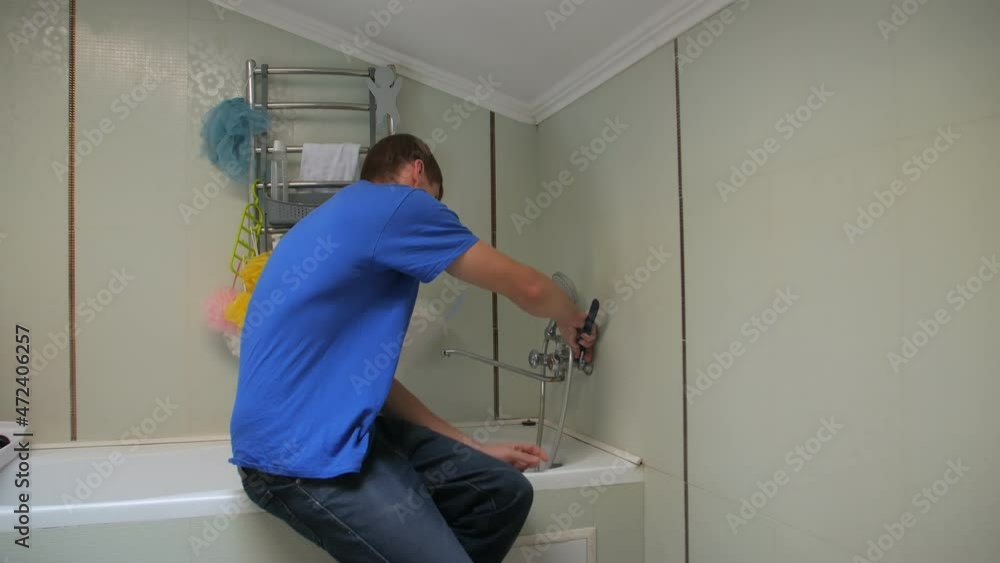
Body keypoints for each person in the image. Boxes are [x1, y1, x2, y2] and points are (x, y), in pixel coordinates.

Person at [229, 133, 597, 563]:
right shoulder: (399, 204)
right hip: (294, 457)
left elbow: (367, 383)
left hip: (346, 434)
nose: (436, 212)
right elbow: (530, 287)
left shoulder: (335, 220)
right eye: (436, 199)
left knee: (503, 492)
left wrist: (471, 446)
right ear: (416, 171)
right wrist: (573, 319)